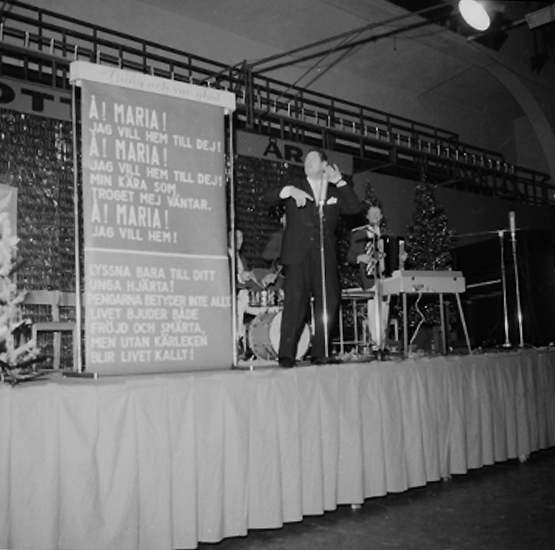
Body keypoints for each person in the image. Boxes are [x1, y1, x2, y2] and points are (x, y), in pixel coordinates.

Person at [264, 149, 362, 368]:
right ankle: (286, 355)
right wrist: (289, 191)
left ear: (324, 164)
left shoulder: (334, 191)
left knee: (329, 301)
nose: (307, 161)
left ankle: (320, 352)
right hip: (297, 255)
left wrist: (340, 180)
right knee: (295, 304)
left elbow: (355, 208)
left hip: (325, 255)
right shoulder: (295, 184)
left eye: (313, 158)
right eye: (306, 158)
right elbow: (268, 196)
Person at [347, 204, 390, 353]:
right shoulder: (359, 235)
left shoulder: (388, 234)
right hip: (370, 278)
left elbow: (396, 253)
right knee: (374, 311)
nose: (375, 217)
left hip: (387, 278)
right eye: (372, 214)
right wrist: (360, 257)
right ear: (367, 217)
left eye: (377, 214)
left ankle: (382, 344)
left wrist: (401, 256)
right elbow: (349, 256)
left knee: (384, 311)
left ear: (381, 217)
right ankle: (377, 344)